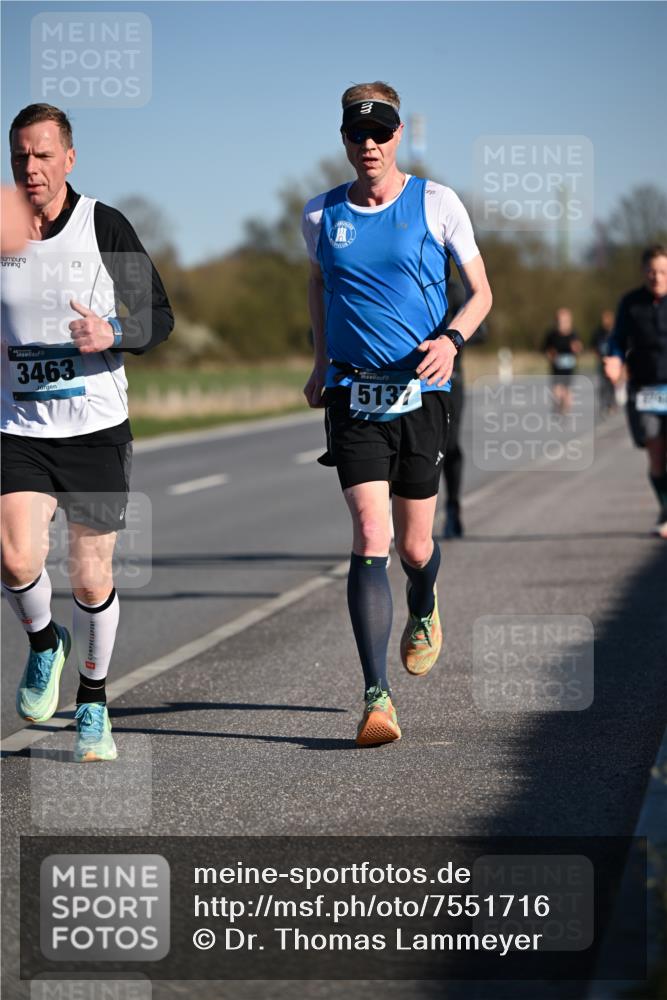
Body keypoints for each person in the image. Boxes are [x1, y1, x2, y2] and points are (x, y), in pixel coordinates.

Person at [302, 81, 492, 746]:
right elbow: (319, 284)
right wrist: (320, 360)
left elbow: (480, 293)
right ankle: (374, 696)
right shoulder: (321, 214)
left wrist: (452, 339)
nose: (370, 144)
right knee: (368, 532)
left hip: (420, 393)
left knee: (415, 545)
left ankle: (426, 600)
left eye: (380, 131)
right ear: (344, 140)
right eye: (357, 133)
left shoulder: (436, 203)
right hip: (353, 395)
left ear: (398, 133)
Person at [1, 103, 174, 760]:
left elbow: (158, 314)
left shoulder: (104, 224)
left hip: (96, 429)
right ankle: (46, 643)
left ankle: (94, 703)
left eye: (43, 155)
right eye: (20, 156)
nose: (31, 168)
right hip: (17, 426)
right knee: (16, 557)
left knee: (89, 577)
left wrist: (113, 332)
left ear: (69, 159)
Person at [604, 245, 667, 538]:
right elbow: (617, 339)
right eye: (652, 272)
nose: (657, 277)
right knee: (655, 454)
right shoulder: (631, 303)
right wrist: (615, 359)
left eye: (663, 272)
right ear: (644, 272)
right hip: (646, 389)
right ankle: (665, 509)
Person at [439, 276, 487, 539]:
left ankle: (453, 508)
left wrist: (449, 337)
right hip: (408, 383)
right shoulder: (402, 277)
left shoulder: (454, 290)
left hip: (450, 381)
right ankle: (392, 519)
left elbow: (481, 330)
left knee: (449, 445)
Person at [542, 308, 583, 415]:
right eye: (560, 321)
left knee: (567, 390)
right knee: (557, 390)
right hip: (556, 367)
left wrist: (576, 349)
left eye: (565, 320)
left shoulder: (574, 334)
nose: (562, 323)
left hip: (569, 367)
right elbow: (545, 349)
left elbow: (579, 349)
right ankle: (558, 405)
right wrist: (550, 354)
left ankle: (565, 408)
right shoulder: (552, 335)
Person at [590, 309, 617, 418]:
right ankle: (603, 404)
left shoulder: (616, 331)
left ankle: (612, 403)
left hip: (613, 362)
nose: (605, 321)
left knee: (611, 385)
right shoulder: (598, 332)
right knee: (602, 384)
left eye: (607, 318)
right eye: (604, 319)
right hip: (602, 362)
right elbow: (593, 346)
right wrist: (597, 355)